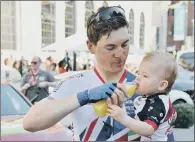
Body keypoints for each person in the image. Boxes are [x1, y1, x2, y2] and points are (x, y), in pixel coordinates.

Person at [23, 6, 175, 141]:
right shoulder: (76, 83)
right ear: (91, 46)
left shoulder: (148, 87)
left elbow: (165, 135)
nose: (120, 54)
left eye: (125, 44)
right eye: (111, 47)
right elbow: (29, 122)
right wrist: (84, 97)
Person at [107, 51, 178, 141]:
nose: (137, 78)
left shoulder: (158, 104)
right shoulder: (147, 97)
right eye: (138, 73)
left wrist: (123, 118)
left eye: (145, 75)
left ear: (162, 85)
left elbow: (149, 129)